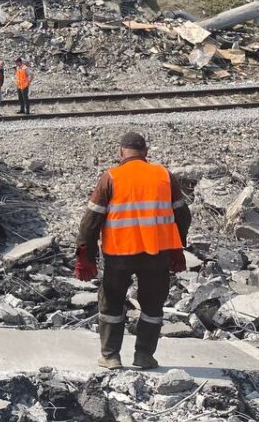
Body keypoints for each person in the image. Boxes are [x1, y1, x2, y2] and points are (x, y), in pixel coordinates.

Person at [74, 132, 191, 370]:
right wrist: (177, 247)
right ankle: (144, 356)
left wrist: (85, 254)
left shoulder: (111, 177)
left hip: (119, 253)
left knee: (112, 303)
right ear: (145, 152)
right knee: (152, 306)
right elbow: (183, 215)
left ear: (120, 152)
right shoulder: (164, 176)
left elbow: (91, 221)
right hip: (156, 254)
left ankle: (111, 356)